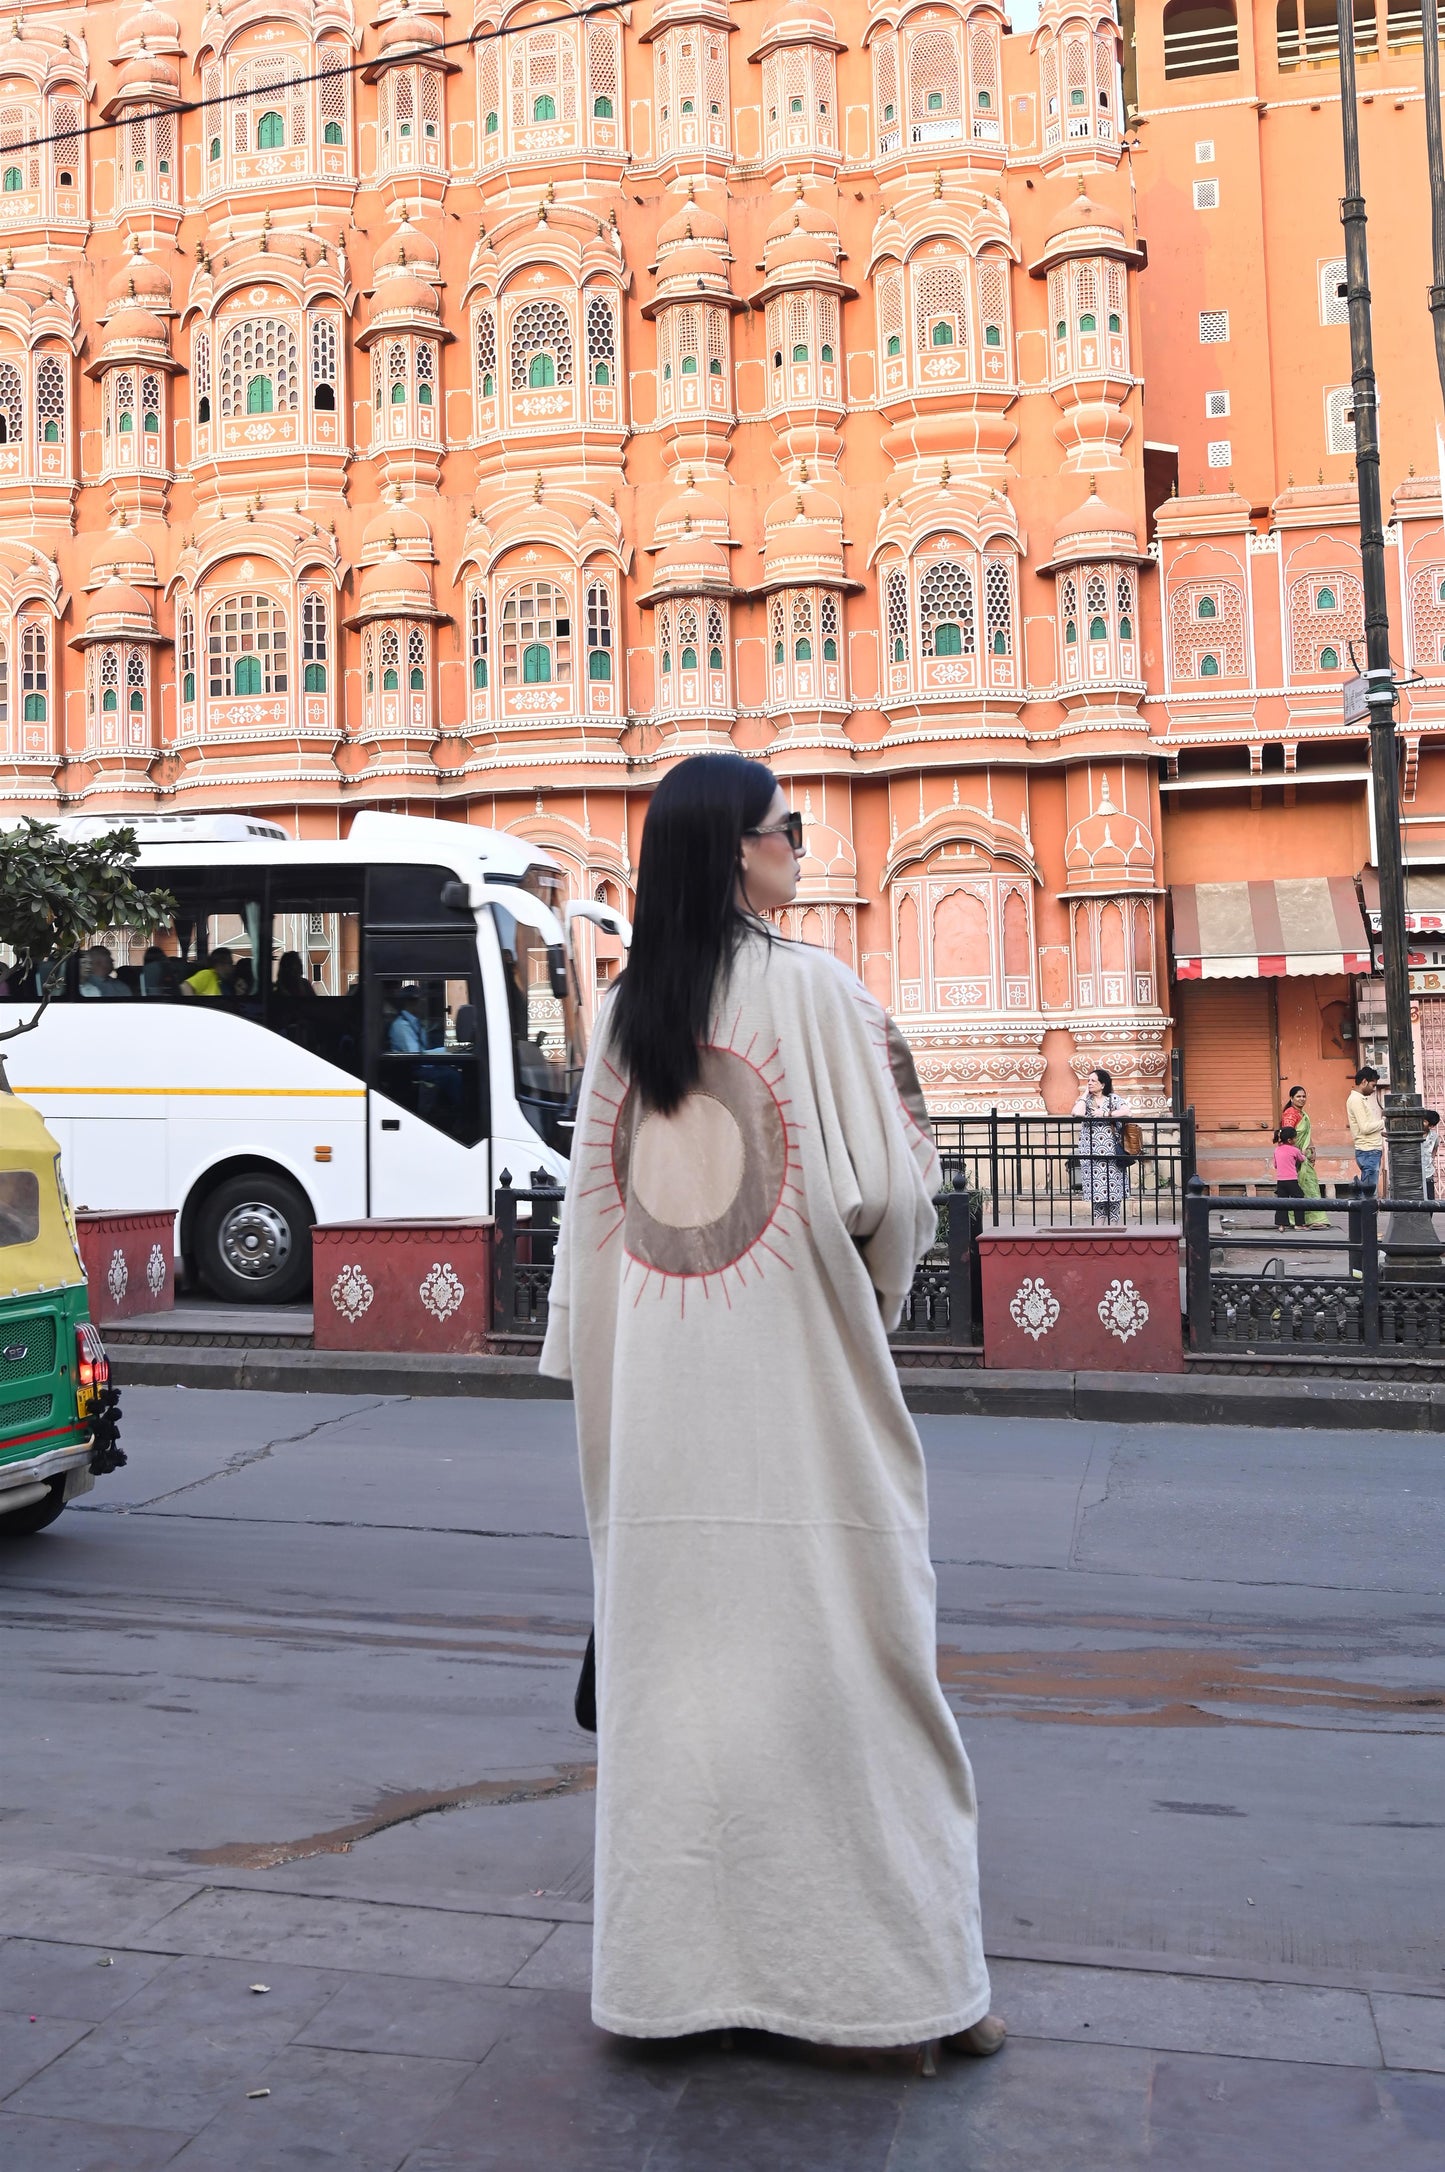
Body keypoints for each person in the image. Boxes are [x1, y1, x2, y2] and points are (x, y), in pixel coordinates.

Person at [540, 753, 1001, 2060]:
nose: (798, 845)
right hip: (802, 1411)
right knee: (858, 1677)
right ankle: (904, 1996)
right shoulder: (819, 993)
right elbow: (898, 1200)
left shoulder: (630, 1017)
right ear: (737, 853)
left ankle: (671, 1989)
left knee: (677, 1699)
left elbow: (587, 1230)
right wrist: (860, 1296)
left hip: (662, 1428)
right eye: (785, 829)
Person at [1071, 1067, 1128, 1224]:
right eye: (1088, 1081)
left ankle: (1114, 1233)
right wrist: (1084, 1094)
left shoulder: (1112, 1099)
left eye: (1093, 1081)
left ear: (1102, 1084)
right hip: (1091, 1153)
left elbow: (1126, 1111)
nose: (1089, 1083)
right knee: (1098, 1196)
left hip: (1111, 1154)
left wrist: (1106, 1114)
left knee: (1114, 1194)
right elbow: (1077, 1113)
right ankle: (1099, 1232)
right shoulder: (1086, 1101)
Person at [1279, 1085, 1331, 1229]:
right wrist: (1296, 1156)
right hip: (1295, 1158)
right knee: (1301, 1189)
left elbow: (1307, 1134)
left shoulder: (1303, 1114)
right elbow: (1287, 1138)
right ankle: (1303, 1220)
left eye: (1304, 1096)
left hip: (1304, 1157)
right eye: (1298, 1096)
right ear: (1291, 1098)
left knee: (1310, 1186)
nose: (1302, 1099)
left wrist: (1312, 1149)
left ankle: (1314, 1219)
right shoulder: (1290, 1114)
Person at [1346, 1066, 1385, 1195]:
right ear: (1364, 1082)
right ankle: (1367, 1215)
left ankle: (1365, 1213)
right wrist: (1384, 1123)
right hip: (1368, 1151)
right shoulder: (1356, 1100)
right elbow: (1365, 1128)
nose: (1374, 1089)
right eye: (1373, 1085)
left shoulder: (1359, 1099)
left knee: (1368, 1191)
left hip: (1369, 1150)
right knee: (1369, 1194)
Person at [1273, 1125, 1305, 1229]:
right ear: (1289, 1140)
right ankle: (1299, 1224)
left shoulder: (1277, 1150)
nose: (1296, 1139)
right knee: (1299, 1199)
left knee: (1282, 1202)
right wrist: (1304, 1154)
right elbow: (1302, 1159)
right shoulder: (1294, 1150)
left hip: (1280, 1180)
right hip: (1291, 1179)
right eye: (1295, 1138)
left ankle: (1281, 1225)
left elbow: (1275, 1165)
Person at [387, 985, 429, 1054]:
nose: (425, 1004)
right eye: (422, 1000)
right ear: (411, 1003)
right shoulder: (401, 1026)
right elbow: (415, 1054)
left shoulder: (416, 1022)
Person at [1423, 1110, 1440, 1202]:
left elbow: (1434, 1150)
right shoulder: (1412, 1135)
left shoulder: (1435, 1137)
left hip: (1427, 1173)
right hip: (1413, 1172)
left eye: (1424, 1121)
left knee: (1430, 1202)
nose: (1421, 1122)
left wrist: (1430, 1161)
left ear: (1431, 1126)